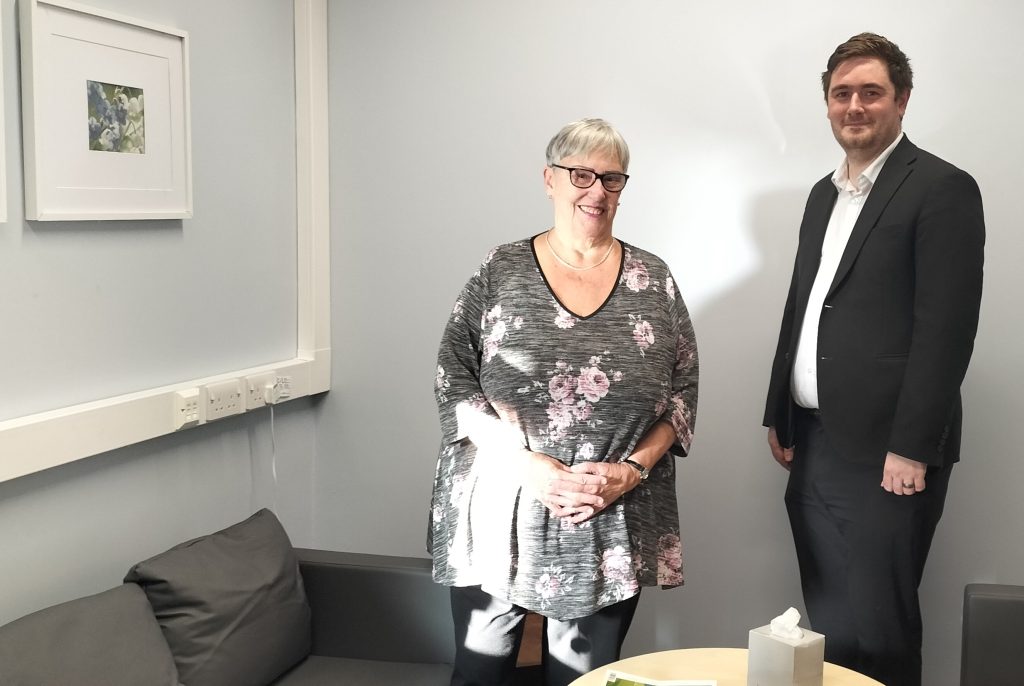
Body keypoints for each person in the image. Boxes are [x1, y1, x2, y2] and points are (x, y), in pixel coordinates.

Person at [428, 118, 699, 686]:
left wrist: (628, 473)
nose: (597, 191)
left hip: (609, 513)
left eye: (612, 179)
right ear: (550, 180)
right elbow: (454, 380)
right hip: (501, 505)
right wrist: (530, 467)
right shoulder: (500, 271)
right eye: (581, 175)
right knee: (480, 675)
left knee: (587, 680)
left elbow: (681, 394)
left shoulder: (655, 279)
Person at [763, 33, 985, 686]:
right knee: (830, 623)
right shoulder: (821, 196)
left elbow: (947, 329)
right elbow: (804, 307)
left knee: (881, 629)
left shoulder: (942, 188)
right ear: (827, 104)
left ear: (902, 101)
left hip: (891, 453)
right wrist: (781, 411)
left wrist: (913, 446)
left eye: (871, 93)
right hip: (815, 443)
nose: (854, 106)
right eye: (841, 94)